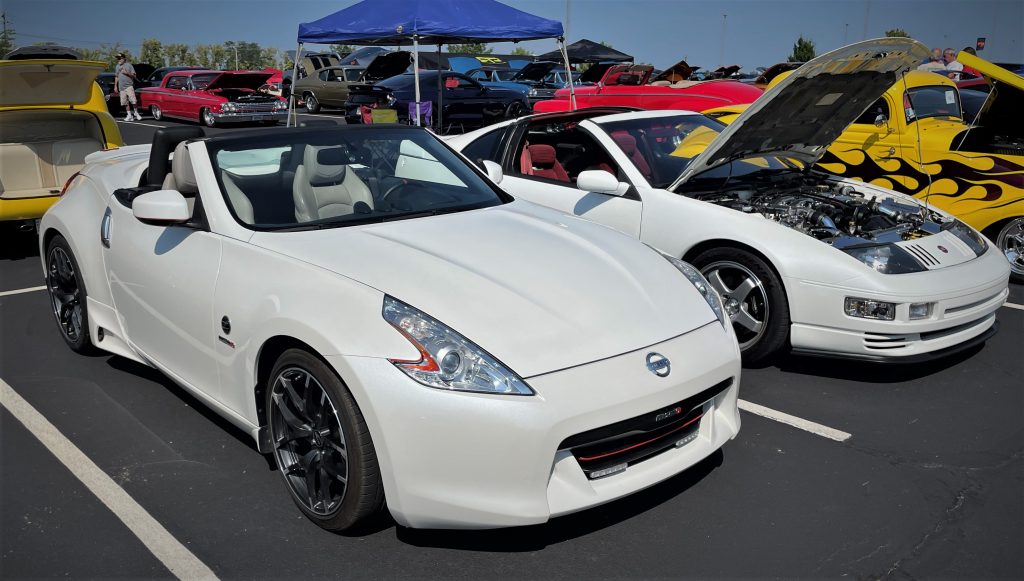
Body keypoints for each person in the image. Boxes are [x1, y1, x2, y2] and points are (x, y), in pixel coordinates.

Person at [114, 53, 142, 121]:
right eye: (118, 58)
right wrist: (115, 86)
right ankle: (129, 115)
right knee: (125, 102)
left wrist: (127, 73)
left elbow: (134, 76)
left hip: (129, 86)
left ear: (124, 59)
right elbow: (116, 76)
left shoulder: (129, 65)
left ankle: (136, 113)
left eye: (120, 58)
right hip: (121, 87)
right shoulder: (117, 66)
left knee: (133, 101)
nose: (118, 60)